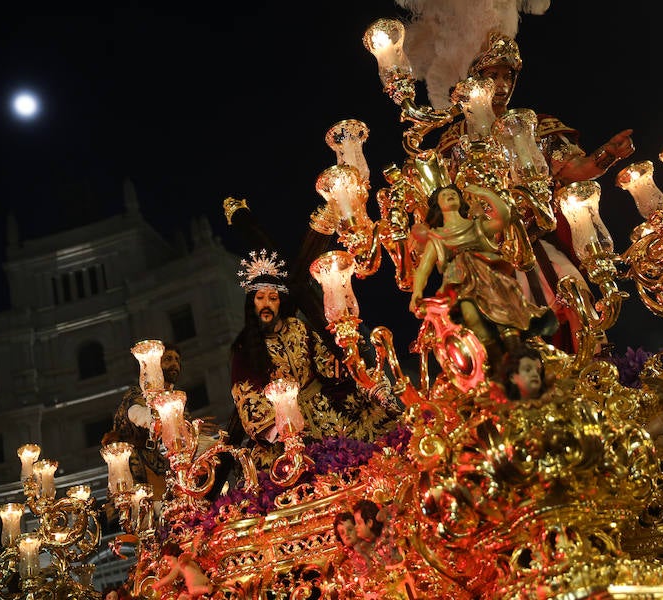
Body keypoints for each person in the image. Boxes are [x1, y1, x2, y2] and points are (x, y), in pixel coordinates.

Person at [436, 32, 635, 354]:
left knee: (576, 297)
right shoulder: (452, 142)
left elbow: (578, 169)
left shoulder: (532, 126)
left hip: (536, 240)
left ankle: (590, 372)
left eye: (507, 76)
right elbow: (441, 204)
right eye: (492, 76)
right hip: (485, 252)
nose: (501, 85)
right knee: (491, 330)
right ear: (475, 79)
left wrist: (608, 153)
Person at [229, 249, 397, 468]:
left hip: (325, 410)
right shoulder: (245, 349)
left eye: (273, 298)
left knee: (374, 424)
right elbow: (247, 396)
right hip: (285, 427)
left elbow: (325, 364)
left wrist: (338, 362)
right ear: (252, 304)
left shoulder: (299, 328)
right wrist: (281, 428)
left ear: (280, 302)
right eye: (260, 298)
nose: (267, 304)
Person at [410, 184, 557, 366]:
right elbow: (423, 269)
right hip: (460, 283)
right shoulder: (437, 237)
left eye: (454, 193)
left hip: (490, 278)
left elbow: (503, 217)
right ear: (437, 206)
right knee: (470, 316)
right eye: (445, 195)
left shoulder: (476, 226)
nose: (450, 195)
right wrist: (416, 293)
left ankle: (516, 354)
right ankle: (494, 361)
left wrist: (486, 193)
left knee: (506, 313)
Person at [103, 344, 183, 500]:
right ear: (154, 365)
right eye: (168, 359)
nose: (175, 364)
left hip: (158, 463)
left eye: (177, 360)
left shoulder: (175, 398)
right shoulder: (137, 393)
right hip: (131, 463)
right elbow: (138, 415)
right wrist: (166, 419)